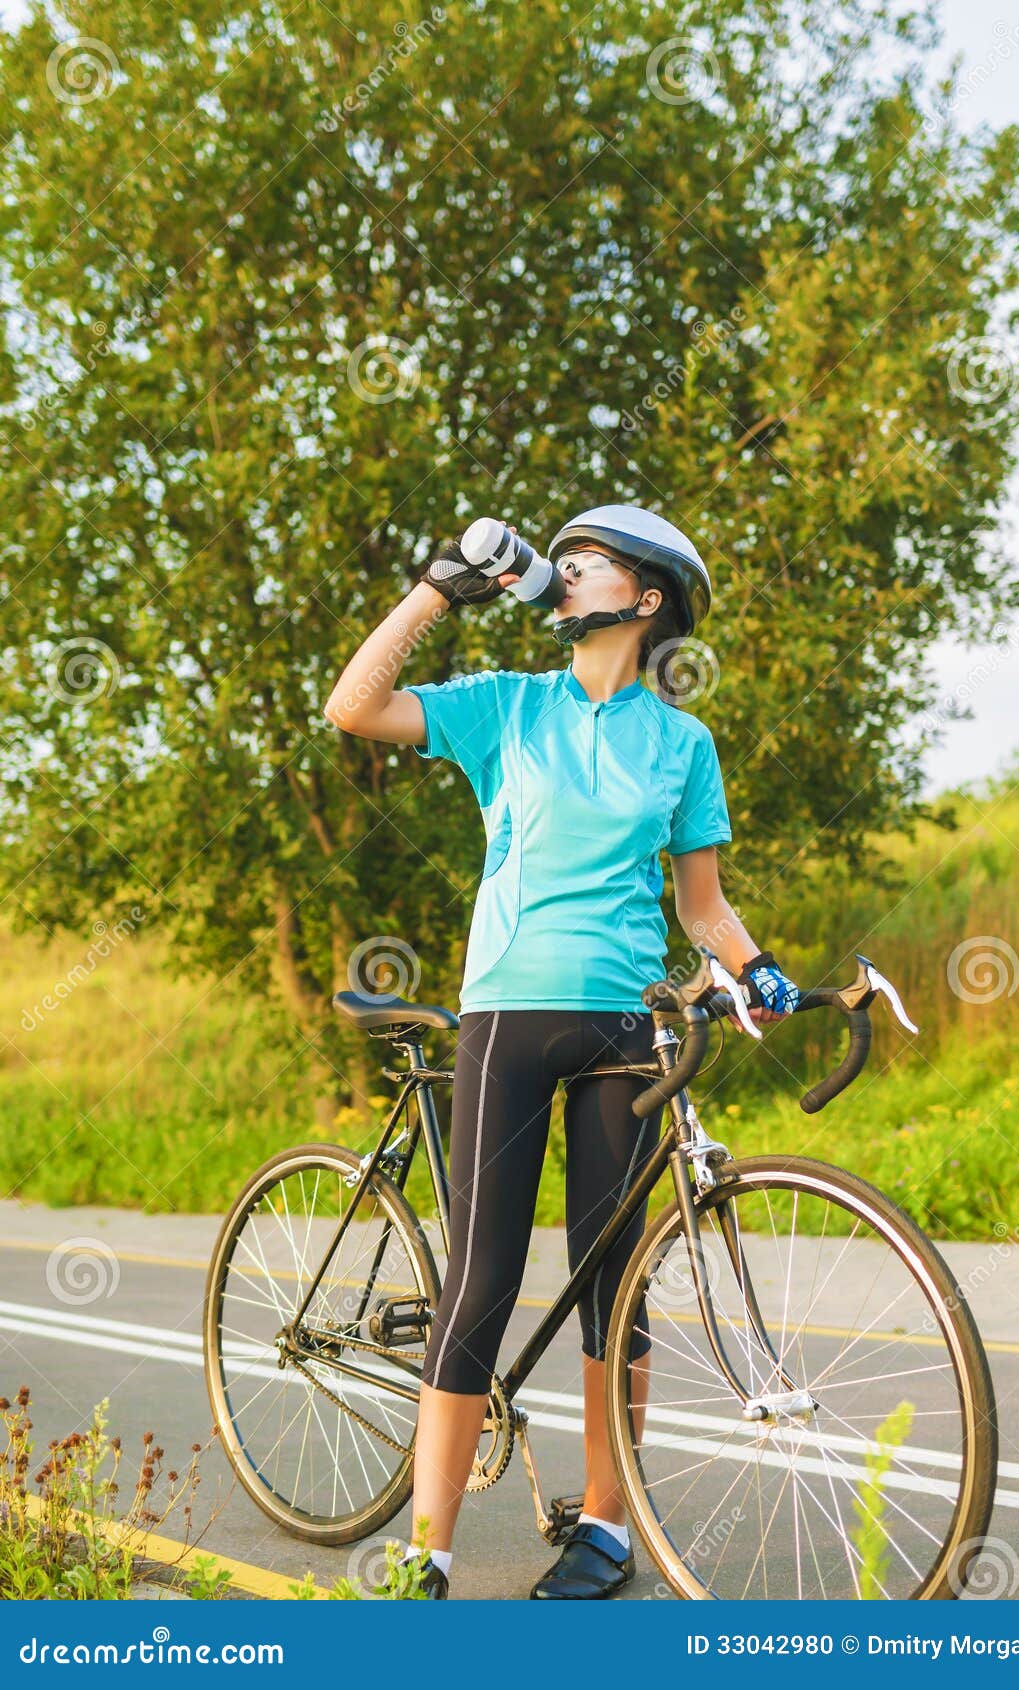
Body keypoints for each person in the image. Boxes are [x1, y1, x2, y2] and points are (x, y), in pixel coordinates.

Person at [323, 505, 799, 1599]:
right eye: (560, 559)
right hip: (505, 1013)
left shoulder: (681, 742)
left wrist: (757, 965)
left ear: (642, 600)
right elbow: (352, 707)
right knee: (480, 1278)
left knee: (613, 1291)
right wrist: (437, 589)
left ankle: (604, 1529)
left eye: (585, 563)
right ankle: (423, 1553)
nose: (561, 571)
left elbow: (704, 905)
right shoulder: (507, 707)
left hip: (623, 1027)